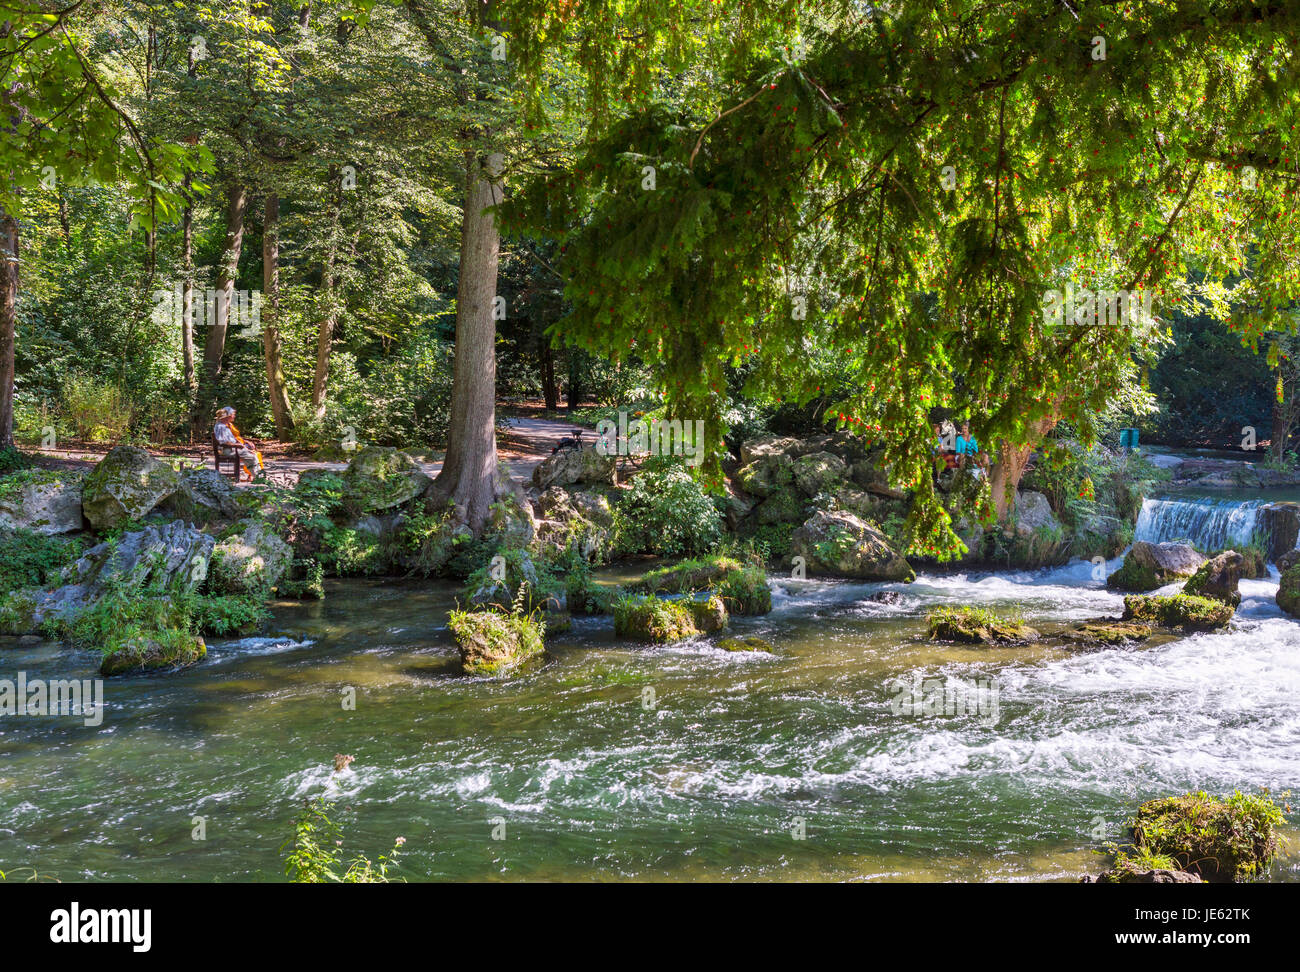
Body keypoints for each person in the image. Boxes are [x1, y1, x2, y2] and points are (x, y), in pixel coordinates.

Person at [214, 406, 264, 481]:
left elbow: (232, 439)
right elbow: (224, 442)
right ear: (228, 416)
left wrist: (243, 446)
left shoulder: (224, 426)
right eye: (233, 415)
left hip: (232, 448)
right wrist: (239, 445)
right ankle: (258, 478)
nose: (234, 416)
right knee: (252, 457)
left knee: (252, 454)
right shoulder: (222, 427)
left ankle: (257, 476)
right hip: (228, 450)